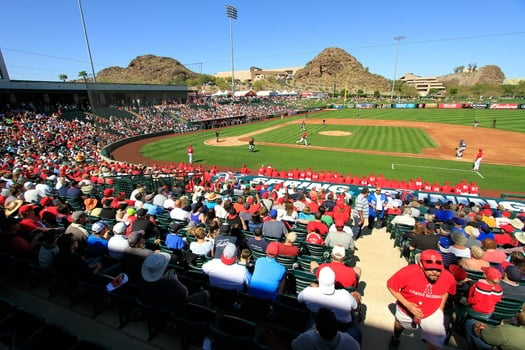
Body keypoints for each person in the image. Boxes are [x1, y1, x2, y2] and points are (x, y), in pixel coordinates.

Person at [387, 250, 456, 350]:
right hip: (406, 310)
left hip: (432, 311)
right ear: (420, 264)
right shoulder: (408, 272)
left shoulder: (448, 277)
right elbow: (391, 286)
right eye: (430, 269)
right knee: (400, 324)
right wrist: (407, 305)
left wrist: (441, 307)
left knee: (435, 342)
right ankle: (395, 338)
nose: (435, 272)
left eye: (438, 270)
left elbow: (448, 291)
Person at [298, 267, 362, 344]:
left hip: (316, 326)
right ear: (334, 281)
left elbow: (299, 299)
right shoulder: (345, 295)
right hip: (342, 328)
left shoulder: (308, 292)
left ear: (318, 280)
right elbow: (355, 307)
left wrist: (312, 288)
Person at [291, 308, 360, 350]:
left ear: (317, 327)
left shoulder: (305, 339)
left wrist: (311, 330)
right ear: (336, 325)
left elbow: (294, 345)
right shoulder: (351, 343)